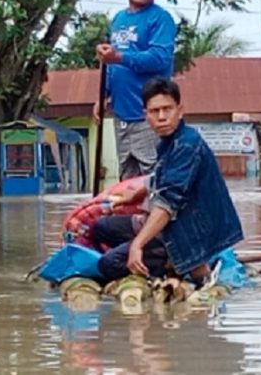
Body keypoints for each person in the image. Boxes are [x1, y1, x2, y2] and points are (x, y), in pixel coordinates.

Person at [94, 78, 244, 286]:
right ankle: (160, 257)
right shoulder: (169, 142)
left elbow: (167, 203)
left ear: (180, 110)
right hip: (176, 224)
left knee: (109, 264)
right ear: (146, 115)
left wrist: (137, 245)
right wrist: (140, 191)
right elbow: (165, 178)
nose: (162, 117)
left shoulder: (187, 144)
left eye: (168, 109)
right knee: (101, 227)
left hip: (190, 231)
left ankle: (175, 264)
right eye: (155, 111)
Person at [93, 0, 177, 180]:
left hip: (147, 116)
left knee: (154, 178)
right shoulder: (119, 19)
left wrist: (119, 56)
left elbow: (159, 58)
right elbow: (112, 66)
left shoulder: (161, 19)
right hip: (122, 117)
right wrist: (104, 95)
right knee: (127, 181)